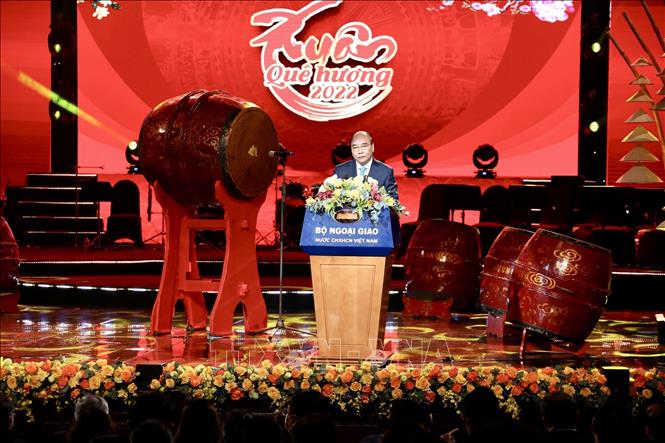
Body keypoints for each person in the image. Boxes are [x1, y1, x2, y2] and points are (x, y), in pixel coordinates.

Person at [334, 131, 398, 200]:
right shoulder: (340, 171)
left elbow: (394, 202)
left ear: (372, 147)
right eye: (355, 147)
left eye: (364, 146)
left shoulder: (386, 172)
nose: (360, 151)